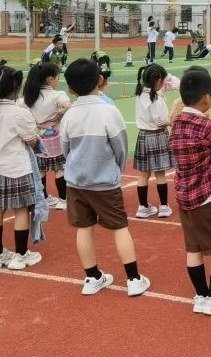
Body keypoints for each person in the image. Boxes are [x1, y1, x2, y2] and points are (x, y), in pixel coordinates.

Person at [60, 58, 150, 296]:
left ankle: (92, 277)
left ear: (69, 88)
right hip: (104, 182)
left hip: (76, 182)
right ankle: (133, 279)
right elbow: (120, 147)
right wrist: (115, 171)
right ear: (100, 81)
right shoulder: (109, 111)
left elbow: (65, 148)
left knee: (84, 228)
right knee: (119, 227)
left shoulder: (69, 115)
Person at [169, 68, 211, 315]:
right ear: (207, 98)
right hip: (208, 194)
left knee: (194, 248)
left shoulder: (176, 124)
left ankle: (201, 296)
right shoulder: (207, 125)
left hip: (185, 194)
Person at [0, 66, 42, 271]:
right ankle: (21, 255)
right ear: (15, 88)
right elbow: (32, 140)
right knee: (21, 210)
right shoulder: (18, 113)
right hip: (16, 167)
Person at [22, 62, 72, 211]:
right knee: (60, 169)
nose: (58, 80)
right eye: (57, 77)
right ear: (50, 79)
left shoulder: (29, 96)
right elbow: (69, 106)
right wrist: (59, 115)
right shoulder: (57, 95)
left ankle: (44, 198)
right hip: (55, 138)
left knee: (41, 170)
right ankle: (63, 200)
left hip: (37, 137)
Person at [133, 64, 173, 219]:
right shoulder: (157, 98)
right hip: (157, 135)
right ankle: (163, 206)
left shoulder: (139, 94)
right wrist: (172, 120)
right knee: (160, 173)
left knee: (143, 175)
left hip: (143, 135)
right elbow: (161, 120)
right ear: (158, 80)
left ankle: (143, 207)